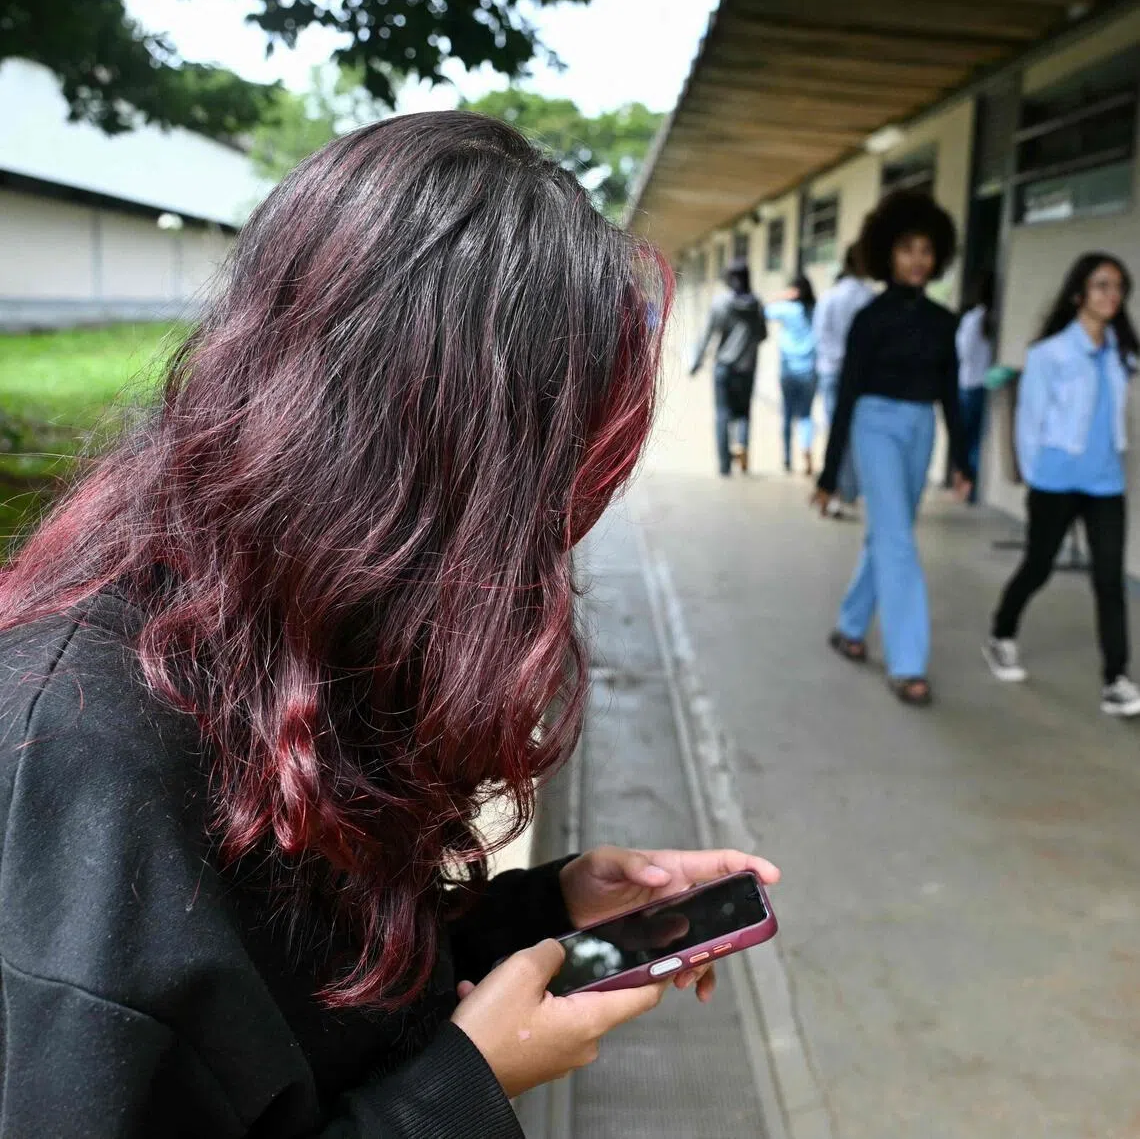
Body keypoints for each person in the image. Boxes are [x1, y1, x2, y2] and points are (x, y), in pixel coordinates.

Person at [0, 112, 781, 1138]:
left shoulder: (295, 630)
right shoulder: (78, 768)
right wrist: (460, 1087)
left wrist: (541, 916)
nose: (546, 550)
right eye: (540, 492)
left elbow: (301, 987)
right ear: (427, 469)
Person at [811, 191, 973, 707]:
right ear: (887, 254)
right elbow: (847, 397)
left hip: (921, 426)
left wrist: (962, 462)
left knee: (887, 533)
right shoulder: (868, 319)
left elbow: (950, 395)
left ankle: (850, 627)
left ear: (938, 255)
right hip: (872, 424)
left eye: (926, 251)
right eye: (907, 249)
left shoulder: (945, 322)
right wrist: (829, 474)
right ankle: (908, 663)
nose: (918, 260)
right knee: (900, 541)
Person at [984, 252, 1140, 718]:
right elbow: (1029, 422)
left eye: (1118, 288)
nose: (1112, 295)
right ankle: (1001, 634)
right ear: (1078, 294)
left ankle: (1115, 678)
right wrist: (1036, 477)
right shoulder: (1049, 354)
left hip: (1105, 482)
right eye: (1101, 286)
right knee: (1038, 566)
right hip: (1055, 480)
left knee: (1109, 580)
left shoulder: (1122, 352)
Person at [812, 245, 875, 513]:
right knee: (854, 432)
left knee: (836, 429)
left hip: (831, 370)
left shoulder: (829, 297)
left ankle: (836, 489)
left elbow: (819, 334)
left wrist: (831, 359)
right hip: (861, 376)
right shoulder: (870, 299)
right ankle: (847, 490)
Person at [690, 259, 767, 475]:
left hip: (724, 368)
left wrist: (697, 362)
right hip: (747, 368)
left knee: (723, 414)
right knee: (743, 413)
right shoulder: (757, 304)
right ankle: (741, 444)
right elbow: (762, 335)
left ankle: (724, 466)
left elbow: (707, 334)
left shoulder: (720, 303)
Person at [767, 276, 819, 475]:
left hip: (788, 372)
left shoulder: (786, 310)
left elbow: (763, 308)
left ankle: (787, 459)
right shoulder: (815, 310)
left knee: (788, 415)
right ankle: (806, 450)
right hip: (809, 372)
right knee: (806, 415)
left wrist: (782, 295)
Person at [955, 271, 996, 504]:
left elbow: (961, 353)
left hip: (968, 384)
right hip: (985, 385)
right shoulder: (994, 319)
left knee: (966, 440)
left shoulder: (973, 319)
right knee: (978, 441)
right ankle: (973, 487)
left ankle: (966, 486)